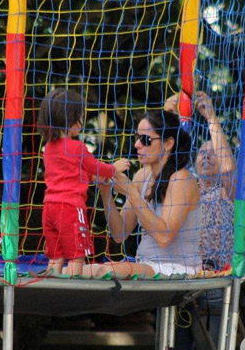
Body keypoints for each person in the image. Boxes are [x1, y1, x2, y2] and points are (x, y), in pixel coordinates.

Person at [164, 90, 235, 350]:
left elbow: (227, 164)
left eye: (211, 154)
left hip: (215, 282)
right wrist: (169, 116)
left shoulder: (226, 190)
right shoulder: (186, 187)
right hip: (181, 280)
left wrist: (211, 118)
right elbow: (168, 159)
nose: (206, 157)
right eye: (201, 153)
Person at [86, 109, 201, 279]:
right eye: (137, 138)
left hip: (178, 268)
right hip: (148, 265)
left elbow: (164, 237)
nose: (137, 145)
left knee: (104, 271)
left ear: (168, 144)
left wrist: (130, 192)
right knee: (81, 270)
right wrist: (105, 193)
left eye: (145, 140)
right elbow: (119, 234)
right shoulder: (142, 176)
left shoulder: (181, 179)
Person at [36, 88, 130, 277]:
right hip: (70, 208)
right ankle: (73, 285)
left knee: (56, 255)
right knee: (77, 255)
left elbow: (69, 172)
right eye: (81, 115)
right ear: (71, 118)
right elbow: (94, 167)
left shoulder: (48, 148)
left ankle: (52, 281)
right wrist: (115, 168)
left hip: (50, 208)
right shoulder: (77, 146)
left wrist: (92, 178)